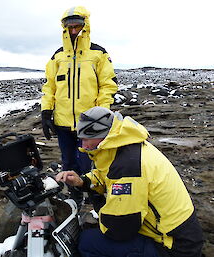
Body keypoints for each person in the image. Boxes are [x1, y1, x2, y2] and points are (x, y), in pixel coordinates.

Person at [56, 106, 204, 257]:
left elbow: (120, 229)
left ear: (104, 135)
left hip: (175, 246)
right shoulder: (124, 144)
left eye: (87, 139)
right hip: (179, 232)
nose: (84, 146)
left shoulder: (127, 166)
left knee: (88, 242)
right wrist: (83, 182)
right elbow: (106, 174)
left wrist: (98, 205)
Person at [41, 6, 118, 207]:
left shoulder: (98, 53)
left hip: (90, 124)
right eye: (70, 27)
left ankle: (94, 197)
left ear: (86, 26)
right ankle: (74, 196)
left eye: (77, 26)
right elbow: (49, 86)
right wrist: (46, 112)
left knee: (91, 164)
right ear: (64, 29)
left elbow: (107, 85)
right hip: (62, 121)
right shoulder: (58, 56)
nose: (74, 31)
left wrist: (103, 115)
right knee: (68, 162)